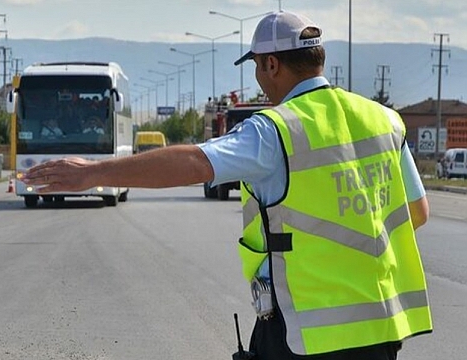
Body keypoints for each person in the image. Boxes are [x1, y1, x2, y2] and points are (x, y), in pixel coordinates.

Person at [23, 10, 431, 360]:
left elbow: (193, 161)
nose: (258, 78)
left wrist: (92, 174)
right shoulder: (383, 120)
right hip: (381, 329)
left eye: (256, 66)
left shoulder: (276, 131)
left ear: (271, 64)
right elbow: (417, 213)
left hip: (304, 334)